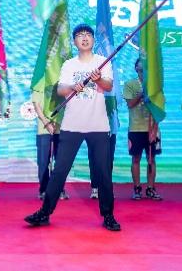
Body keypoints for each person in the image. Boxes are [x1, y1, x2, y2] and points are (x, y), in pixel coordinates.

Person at [24, 24, 120, 232]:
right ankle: (44, 212)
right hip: (72, 124)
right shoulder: (69, 64)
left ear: (93, 39)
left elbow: (108, 86)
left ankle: (108, 215)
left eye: (88, 35)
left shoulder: (102, 61)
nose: (84, 38)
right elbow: (61, 89)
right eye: (80, 35)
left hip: (98, 125)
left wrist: (98, 79)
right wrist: (71, 87)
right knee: (60, 170)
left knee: (103, 172)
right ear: (75, 41)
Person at [123, 58, 162, 200]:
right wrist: (142, 93)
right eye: (140, 64)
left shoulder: (155, 86)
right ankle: (137, 188)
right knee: (136, 158)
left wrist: (154, 129)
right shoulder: (130, 84)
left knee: (151, 159)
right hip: (136, 128)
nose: (142, 67)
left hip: (152, 129)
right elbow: (130, 104)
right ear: (136, 68)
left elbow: (159, 109)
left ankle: (151, 188)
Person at [32, 92, 69, 200]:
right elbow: (36, 105)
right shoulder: (39, 83)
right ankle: (44, 190)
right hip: (43, 129)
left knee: (61, 161)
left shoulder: (62, 83)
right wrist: (46, 123)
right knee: (43, 162)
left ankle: (59, 189)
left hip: (60, 127)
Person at [88, 96, 118, 199]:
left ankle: (106, 188)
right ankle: (95, 187)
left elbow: (117, 103)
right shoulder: (90, 87)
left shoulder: (114, 87)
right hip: (93, 128)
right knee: (94, 158)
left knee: (108, 159)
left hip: (111, 127)